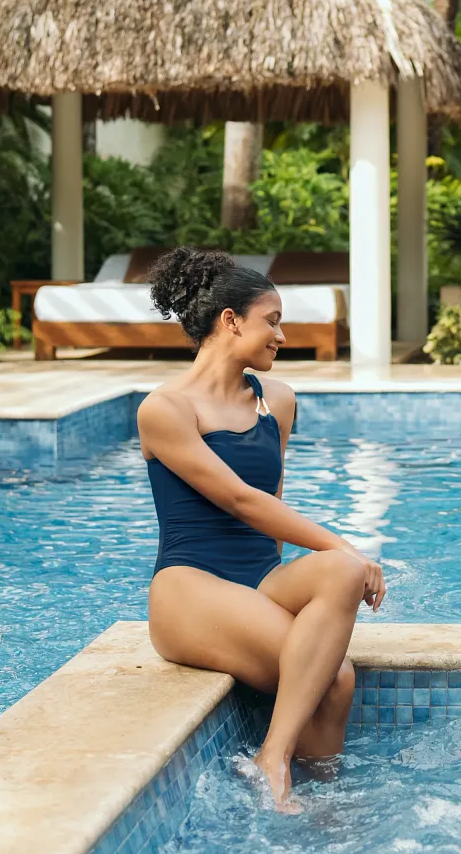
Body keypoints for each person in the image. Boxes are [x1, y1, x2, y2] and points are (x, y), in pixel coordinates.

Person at [137, 247, 385, 812]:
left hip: (260, 579)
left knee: (341, 582)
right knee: (336, 678)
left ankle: (323, 806)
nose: (281, 335)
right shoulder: (165, 408)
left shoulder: (277, 401)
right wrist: (347, 546)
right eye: (271, 321)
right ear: (231, 321)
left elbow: (273, 503)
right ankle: (272, 760)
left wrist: (336, 567)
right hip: (189, 588)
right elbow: (240, 500)